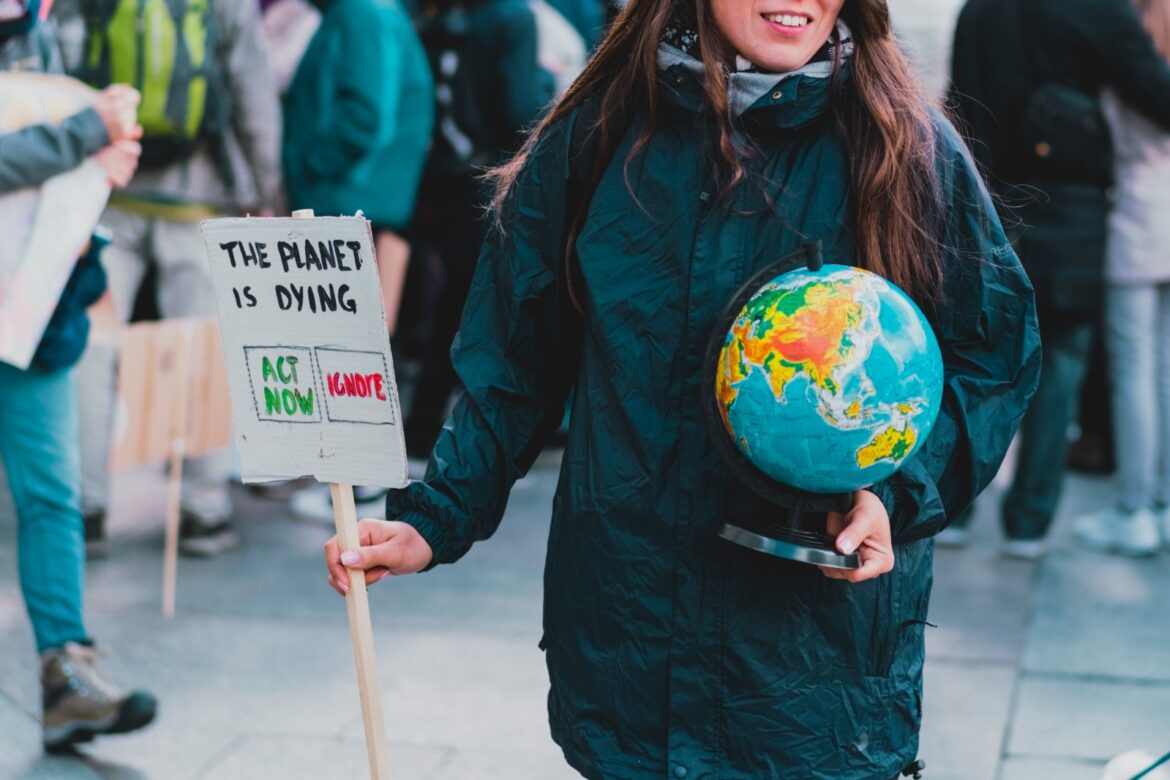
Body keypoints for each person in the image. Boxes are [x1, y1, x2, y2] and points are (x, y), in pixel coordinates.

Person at [324, 0, 1042, 776]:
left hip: (813, 679)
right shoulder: (600, 134)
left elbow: (992, 353)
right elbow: (517, 354)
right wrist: (438, 516)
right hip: (629, 650)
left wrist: (895, 488)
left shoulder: (905, 145)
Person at [53, 0, 283, 557]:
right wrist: (264, 188)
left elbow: (61, 70)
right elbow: (254, 93)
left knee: (92, 350)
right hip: (201, 195)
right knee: (202, 351)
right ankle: (203, 509)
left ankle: (84, 506)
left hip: (109, 190)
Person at [946, 0, 1170, 558]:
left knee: (973, 356)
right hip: (1070, 211)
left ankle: (952, 507)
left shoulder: (979, 10)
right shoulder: (1100, 12)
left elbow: (957, 104)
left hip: (982, 198)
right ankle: (1028, 523)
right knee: (1060, 360)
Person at [0, 0, 157, 751]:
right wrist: (85, 134)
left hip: (34, 309)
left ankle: (67, 673)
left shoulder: (57, 33)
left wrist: (101, 155)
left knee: (53, 498)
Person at [402, 0, 554, 459]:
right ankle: (445, 436)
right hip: (494, 178)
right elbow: (521, 108)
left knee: (454, 305)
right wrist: (549, 83)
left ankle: (425, 428)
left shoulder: (437, 13)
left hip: (446, 176)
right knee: (478, 309)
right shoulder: (512, 16)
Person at [1072, 0, 1170, 555]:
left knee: (1133, 372)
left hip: (1136, 222)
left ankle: (1134, 507)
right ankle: (1162, 502)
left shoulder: (1127, 66)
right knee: (1165, 372)